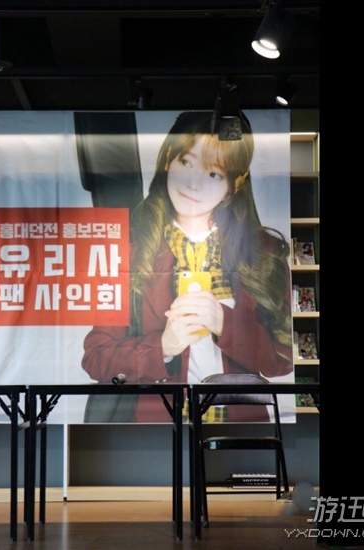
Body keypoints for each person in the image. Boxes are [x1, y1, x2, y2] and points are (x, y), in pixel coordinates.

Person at [81, 111, 293, 422]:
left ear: (233, 185)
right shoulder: (130, 249)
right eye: (186, 162)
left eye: (213, 174)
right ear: (168, 161)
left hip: (239, 424)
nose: (193, 184)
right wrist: (163, 346)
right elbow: (96, 357)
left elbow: (282, 360)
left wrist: (224, 323)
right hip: (157, 425)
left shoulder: (262, 252)